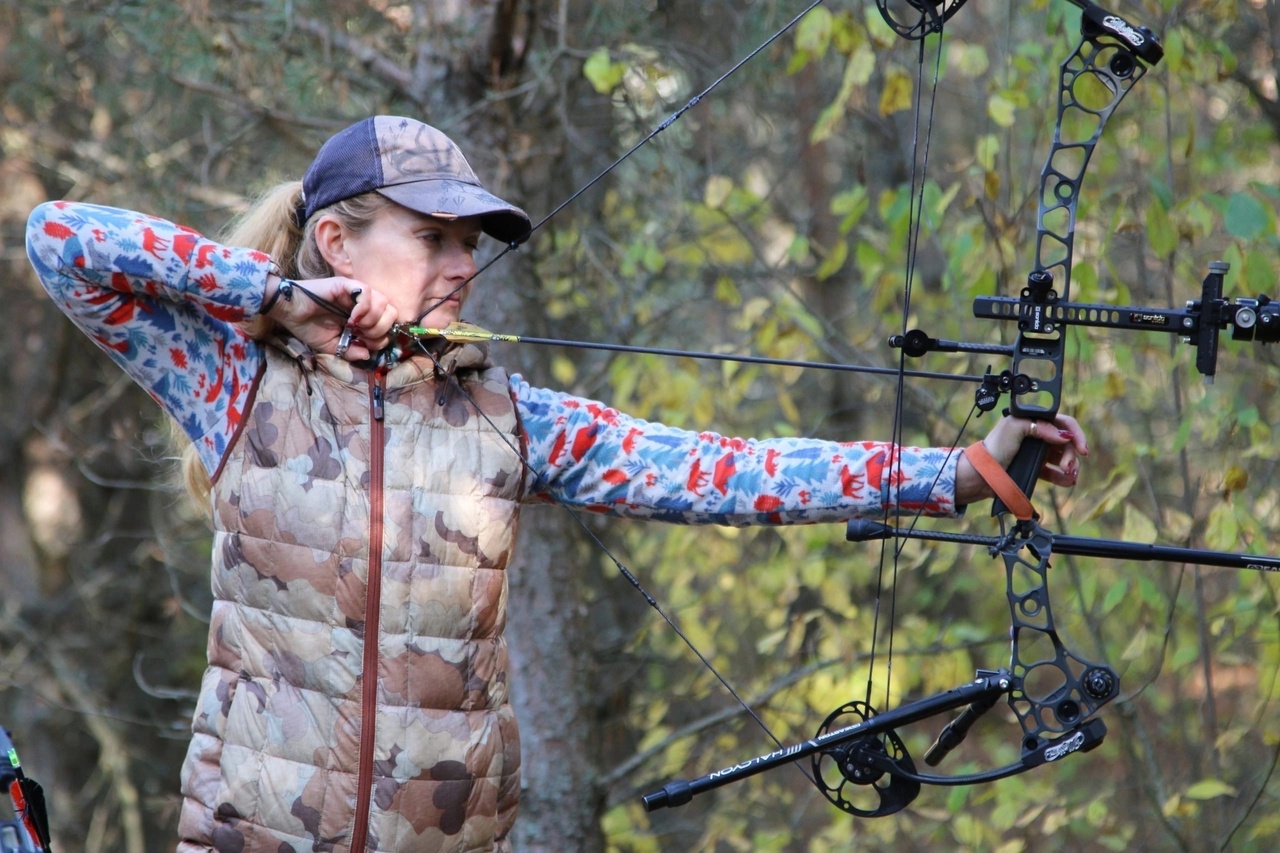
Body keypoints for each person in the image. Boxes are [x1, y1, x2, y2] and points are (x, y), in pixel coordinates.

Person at [25, 115, 1086, 853]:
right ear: (335, 238)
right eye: (431, 237)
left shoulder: (506, 415)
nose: (460, 267)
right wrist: (271, 293)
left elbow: (722, 469)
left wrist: (957, 470)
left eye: (469, 244)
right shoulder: (234, 381)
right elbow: (59, 237)